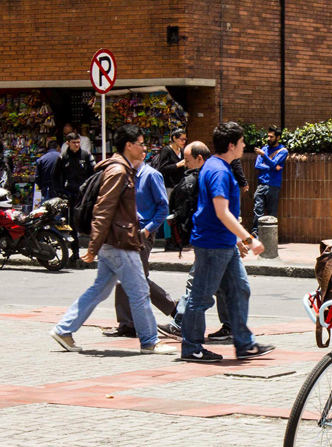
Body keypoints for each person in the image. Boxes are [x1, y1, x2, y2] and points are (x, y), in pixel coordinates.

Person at [50, 124, 174, 355]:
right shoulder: (118, 171)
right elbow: (103, 210)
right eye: (141, 143)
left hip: (113, 241)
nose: (144, 147)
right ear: (129, 145)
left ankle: (64, 329)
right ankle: (149, 340)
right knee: (139, 292)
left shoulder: (119, 169)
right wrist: (93, 246)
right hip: (119, 242)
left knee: (100, 290)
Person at [179, 122, 274, 362]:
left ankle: (244, 343)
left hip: (222, 243)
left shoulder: (214, 165)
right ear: (231, 145)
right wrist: (249, 239)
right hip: (213, 244)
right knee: (200, 298)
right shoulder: (219, 171)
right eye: (242, 142)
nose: (244, 146)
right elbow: (222, 212)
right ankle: (192, 348)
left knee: (239, 289)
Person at [160, 141, 239, 341]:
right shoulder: (208, 175)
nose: (184, 164)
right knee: (224, 285)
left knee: (196, 283)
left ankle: (181, 325)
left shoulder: (212, 175)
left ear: (199, 159)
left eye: (187, 160)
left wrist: (239, 238)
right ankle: (232, 327)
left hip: (213, 242)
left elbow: (221, 211)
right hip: (215, 240)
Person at [102, 158, 179, 338]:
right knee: (123, 277)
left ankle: (173, 308)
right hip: (124, 232)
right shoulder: (123, 176)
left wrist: (147, 231)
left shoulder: (152, 175)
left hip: (142, 233)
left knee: (138, 278)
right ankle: (127, 324)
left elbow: (163, 207)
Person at [53, 132, 96, 264]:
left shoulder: (86, 156)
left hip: (84, 195)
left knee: (91, 222)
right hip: (70, 195)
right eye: (74, 143)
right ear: (68, 143)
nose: (77, 145)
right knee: (71, 224)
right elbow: (55, 176)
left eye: (78, 142)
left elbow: (93, 174)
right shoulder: (63, 157)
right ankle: (75, 252)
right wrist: (60, 192)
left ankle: (93, 251)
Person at [251, 126, 289, 237]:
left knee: (272, 214)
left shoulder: (283, 151)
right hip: (261, 184)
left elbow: (273, 163)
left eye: (271, 137)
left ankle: (270, 239)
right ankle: (255, 236)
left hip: (273, 185)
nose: (268, 138)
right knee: (257, 211)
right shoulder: (264, 149)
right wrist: (271, 167)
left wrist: (264, 156)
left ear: (278, 137)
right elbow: (258, 165)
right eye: (268, 136)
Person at [152, 128, 187, 196]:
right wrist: (177, 165)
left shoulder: (183, 151)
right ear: (174, 138)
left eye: (185, 139)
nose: (184, 141)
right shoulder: (166, 150)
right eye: (182, 139)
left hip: (181, 186)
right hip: (170, 187)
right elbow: (162, 169)